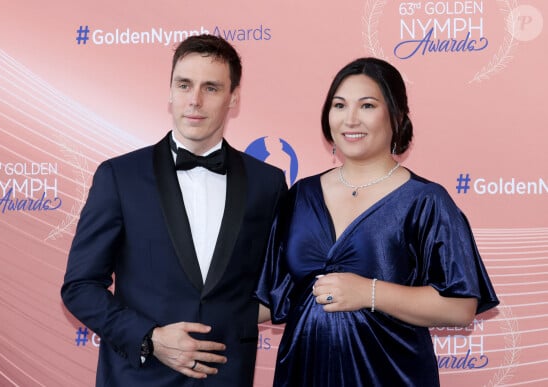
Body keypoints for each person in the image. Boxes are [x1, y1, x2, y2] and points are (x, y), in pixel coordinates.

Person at [255, 57, 499, 386]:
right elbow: (268, 298)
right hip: (303, 371)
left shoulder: (426, 201)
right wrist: (180, 314)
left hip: (390, 374)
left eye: (367, 105)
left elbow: (460, 307)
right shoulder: (299, 196)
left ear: (396, 116)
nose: (350, 119)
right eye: (339, 105)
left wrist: (369, 292)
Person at [61, 34, 287, 386]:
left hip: (226, 377)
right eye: (184, 85)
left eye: (211, 88)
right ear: (169, 91)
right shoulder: (119, 176)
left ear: (234, 97)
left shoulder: (268, 183)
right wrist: (149, 338)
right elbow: (80, 286)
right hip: (138, 378)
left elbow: (279, 285)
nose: (194, 100)